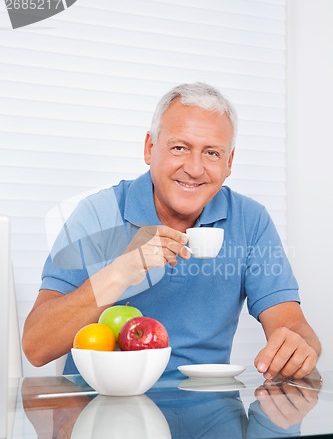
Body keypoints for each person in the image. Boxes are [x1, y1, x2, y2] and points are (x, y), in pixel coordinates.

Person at [23, 82, 321, 380]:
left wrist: (300, 347)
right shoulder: (98, 214)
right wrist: (119, 273)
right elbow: (37, 347)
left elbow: (293, 327)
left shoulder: (251, 220)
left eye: (212, 153)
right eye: (179, 148)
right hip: (101, 409)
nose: (194, 168)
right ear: (150, 148)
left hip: (206, 412)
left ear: (229, 162)